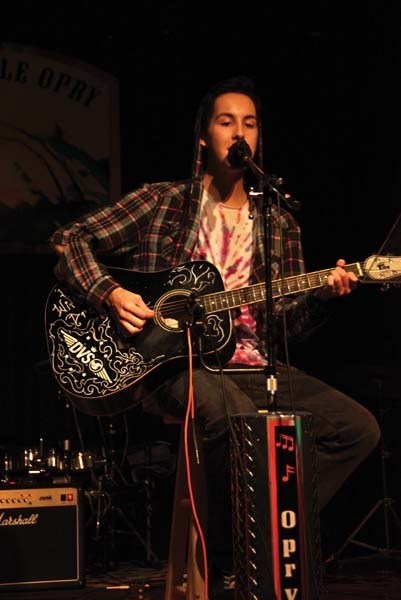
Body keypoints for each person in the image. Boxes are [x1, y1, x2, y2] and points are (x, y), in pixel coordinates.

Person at [50, 76, 381, 593]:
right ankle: (232, 552)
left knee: (357, 428)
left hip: (253, 365)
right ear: (204, 136)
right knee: (234, 415)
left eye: (249, 123)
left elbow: (287, 328)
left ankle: (266, 532)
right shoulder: (164, 202)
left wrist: (319, 297)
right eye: (227, 121)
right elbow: (70, 239)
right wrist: (111, 295)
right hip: (170, 361)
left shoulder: (279, 223)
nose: (239, 131)